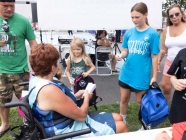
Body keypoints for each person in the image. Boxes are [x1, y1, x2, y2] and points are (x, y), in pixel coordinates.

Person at [28, 43, 128, 138]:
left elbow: (55, 103)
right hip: (66, 130)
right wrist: (86, 99)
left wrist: (75, 95)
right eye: (57, 62)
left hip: (65, 120)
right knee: (122, 127)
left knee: (119, 118)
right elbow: (81, 116)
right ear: (52, 67)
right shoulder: (49, 90)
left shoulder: (36, 78)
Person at [115, 2, 160, 123]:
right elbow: (125, 50)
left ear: (146, 15)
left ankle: (145, 124)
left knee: (141, 102)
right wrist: (121, 55)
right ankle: (122, 121)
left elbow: (155, 56)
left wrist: (154, 77)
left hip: (141, 75)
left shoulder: (152, 34)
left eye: (137, 17)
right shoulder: (129, 32)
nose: (134, 20)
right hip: (127, 72)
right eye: (132, 17)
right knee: (124, 99)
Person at [0, 0, 37, 137]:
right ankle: (5, 124)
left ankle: (26, 123)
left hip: (21, 71)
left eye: (12, 6)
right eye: (5, 6)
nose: (9, 9)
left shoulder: (23, 21)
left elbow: (33, 43)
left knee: (26, 100)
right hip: (1, 71)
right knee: (2, 100)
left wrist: (37, 63)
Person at [158, 4, 186, 101]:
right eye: (171, 16)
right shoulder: (166, 30)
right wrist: (158, 61)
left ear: (182, 13)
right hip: (170, 63)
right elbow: (164, 49)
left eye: (177, 14)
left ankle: (183, 111)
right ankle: (167, 110)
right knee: (165, 87)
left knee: (184, 89)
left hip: (185, 63)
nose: (174, 17)